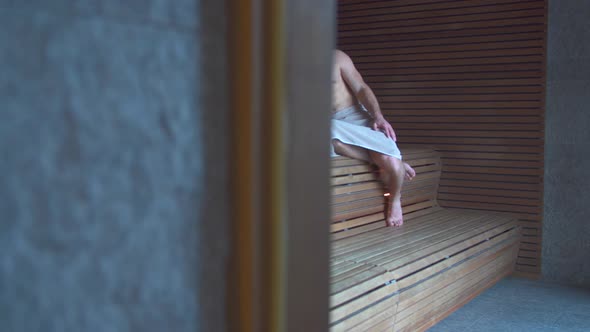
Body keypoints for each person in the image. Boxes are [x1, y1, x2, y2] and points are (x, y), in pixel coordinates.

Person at [331, 49, 416, 227]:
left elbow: (361, 88)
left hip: (354, 116)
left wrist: (377, 116)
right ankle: (375, 159)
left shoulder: (336, 57)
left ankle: (394, 200)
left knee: (390, 160)